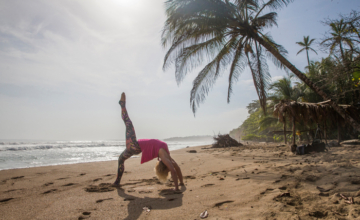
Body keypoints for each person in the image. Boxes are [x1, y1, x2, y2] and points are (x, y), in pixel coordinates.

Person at [112, 93, 184, 191]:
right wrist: (181, 183)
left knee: (128, 124)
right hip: (135, 148)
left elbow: (173, 171)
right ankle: (117, 182)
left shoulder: (164, 155)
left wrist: (176, 189)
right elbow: (176, 168)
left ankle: (122, 105)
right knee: (121, 159)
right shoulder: (167, 156)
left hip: (134, 145)